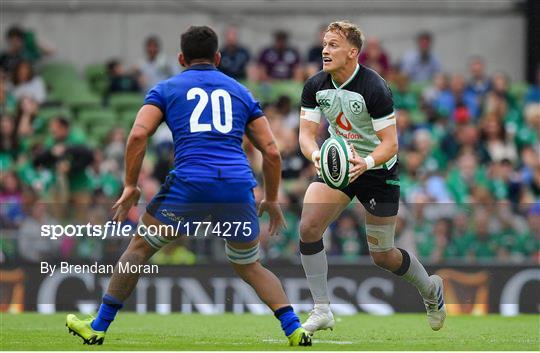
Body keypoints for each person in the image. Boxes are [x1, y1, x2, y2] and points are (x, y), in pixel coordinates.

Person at [65, 25, 312, 347]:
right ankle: (294, 329)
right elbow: (272, 150)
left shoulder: (166, 89)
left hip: (190, 183)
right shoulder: (241, 92)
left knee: (139, 249)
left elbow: (138, 135)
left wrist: (130, 185)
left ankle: (97, 326)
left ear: (181, 58)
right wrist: (273, 197)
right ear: (218, 57)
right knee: (249, 264)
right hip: (236, 185)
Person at [298, 21, 446, 334]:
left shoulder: (374, 87)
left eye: (333, 45)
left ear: (353, 52)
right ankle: (322, 309)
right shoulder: (315, 85)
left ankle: (431, 292)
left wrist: (364, 163)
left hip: (377, 169)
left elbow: (391, 143)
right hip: (339, 166)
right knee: (309, 227)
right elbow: (306, 136)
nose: (325, 50)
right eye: (325, 44)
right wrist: (316, 156)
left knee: (382, 255)